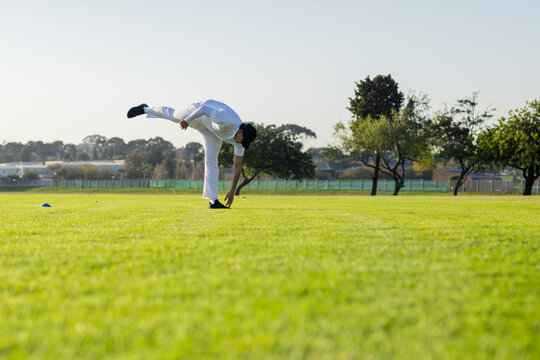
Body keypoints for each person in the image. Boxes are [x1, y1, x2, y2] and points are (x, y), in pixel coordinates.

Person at [127, 100, 256, 209]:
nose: (241, 145)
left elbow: (237, 166)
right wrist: (187, 120)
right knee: (173, 115)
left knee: (211, 160)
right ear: (240, 133)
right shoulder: (226, 120)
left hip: (210, 129)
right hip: (198, 113)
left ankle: (213, 201)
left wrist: (232, 191)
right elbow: (204, 108)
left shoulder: (240, 142)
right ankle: (146, 108)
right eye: (243, 141)